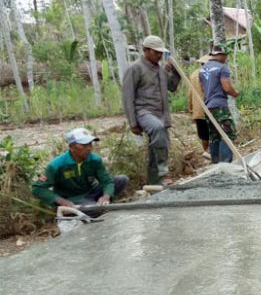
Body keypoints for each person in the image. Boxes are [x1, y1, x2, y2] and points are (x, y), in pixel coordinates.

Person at [122, 35, 181, 185]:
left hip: (160, 113)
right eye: (156, 52)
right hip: (143, 111)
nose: (159, 55)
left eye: (161, 53)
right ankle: (163, 172)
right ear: (146, 50)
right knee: (157, 128)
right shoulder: (135, 68)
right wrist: (132, 122)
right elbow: (127, 96)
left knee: (160, 145)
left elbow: (172, 87)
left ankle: (153, 183)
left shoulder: (161, 70)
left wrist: (176, 72)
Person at [32, 128, 128, 207]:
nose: (89, 148)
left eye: (90, 144)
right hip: (73, 199)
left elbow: (106, 181)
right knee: (94, 209)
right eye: (84, 145)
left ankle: (102, 203)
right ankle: (94, 207)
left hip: (91, 192)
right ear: (72, 147)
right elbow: (38, 188)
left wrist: (106, 196)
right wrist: (62, 201)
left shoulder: (95, 160)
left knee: (122, 179)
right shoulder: (56, 165)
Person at [200, 46, 240, 164]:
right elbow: (227, 87)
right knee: (228, 132)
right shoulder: (222, 68)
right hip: (219, 106)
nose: (226, 58)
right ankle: (225, 162)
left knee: (214, 134)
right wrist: (235, 93)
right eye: (225, 55)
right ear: (220, 55)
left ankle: (216, 162)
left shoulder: (203, 69)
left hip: (208, 107)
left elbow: (203, 88)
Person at [188, 54, 210, 154]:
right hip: (211, 109)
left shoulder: (193, 75)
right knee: (214, 133)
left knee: (203, 134)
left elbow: (190, 93)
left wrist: (191, 108)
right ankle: (213, 153)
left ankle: (206, 152)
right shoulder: (211, 74)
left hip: (198, 110)